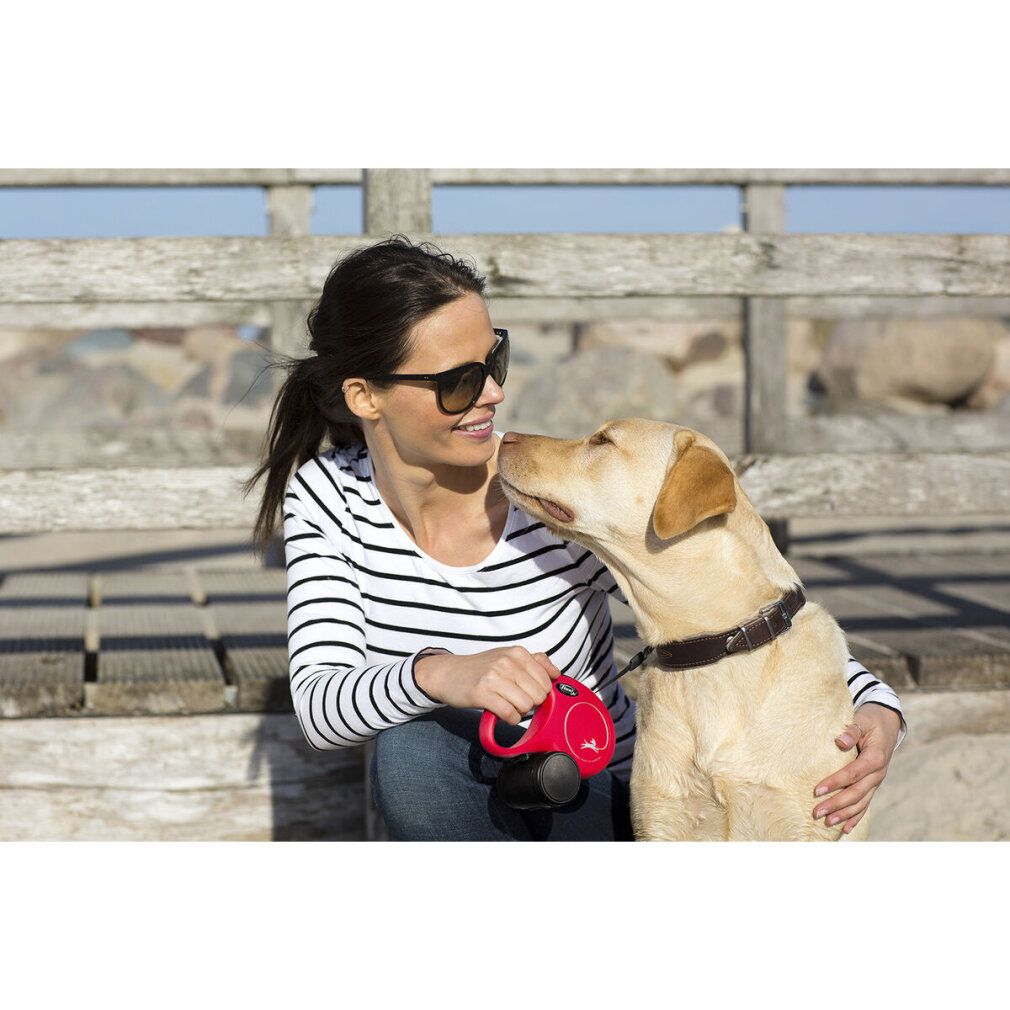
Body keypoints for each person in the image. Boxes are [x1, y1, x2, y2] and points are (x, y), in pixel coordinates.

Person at [243, 234, 908, 841]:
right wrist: (445, 673)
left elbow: (720, 603)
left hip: (601, 804)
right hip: (463, 804)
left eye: (493, 359)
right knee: (413, 750)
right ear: (366, 398)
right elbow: (321, 705)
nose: (495, 393)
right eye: (458, 382)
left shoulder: (547, 489)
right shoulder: (329, 498)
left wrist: (876, 707)